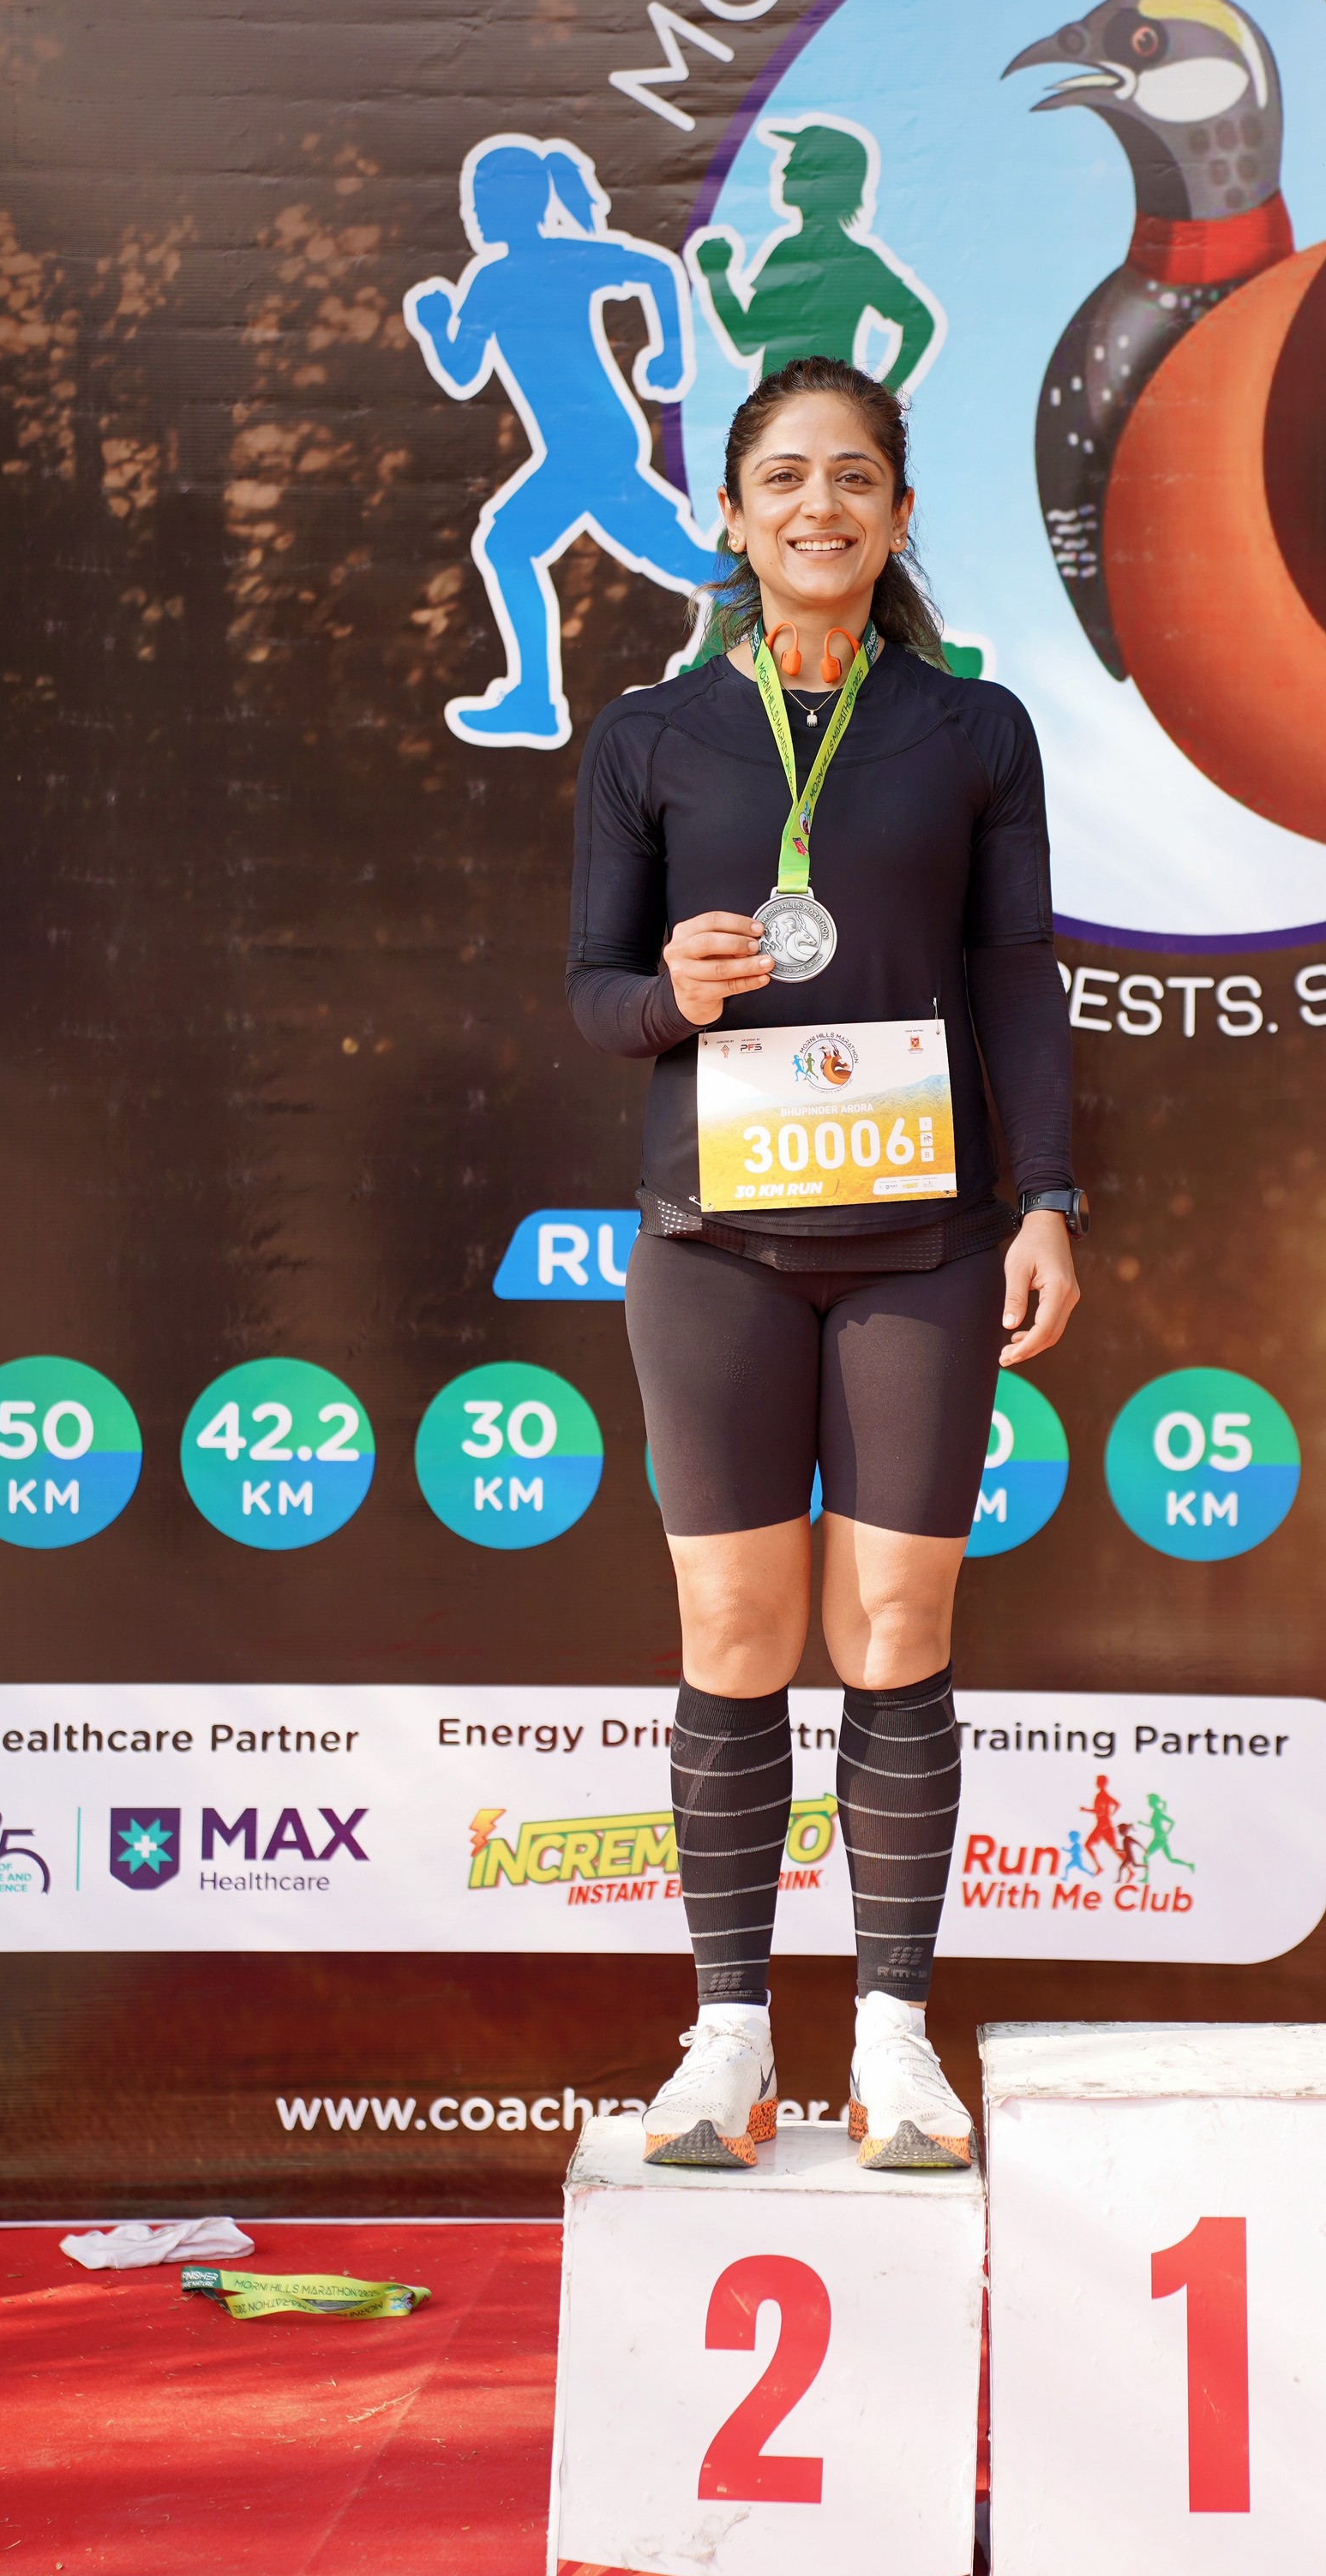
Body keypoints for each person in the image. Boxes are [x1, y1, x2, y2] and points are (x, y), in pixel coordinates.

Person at [567, 352, 1084, 2173]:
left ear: (900, 513)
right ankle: (727, 2042)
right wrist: (671, 995)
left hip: (920, 1248)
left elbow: (1017, 974)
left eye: (853, 477)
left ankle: (891, 2043)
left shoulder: (971, 730)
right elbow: (592, 995)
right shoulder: (649, 737)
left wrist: (1048, 1199)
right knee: (733, 1633)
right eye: (783, 477)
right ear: (730, 514)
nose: (819, 505)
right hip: (713, 1244)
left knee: (896, 1635)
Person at [405, 135, 718, 750]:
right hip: (593, 440)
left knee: (508, 543)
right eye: (472, 201)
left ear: (515, 204)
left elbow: (463, 369)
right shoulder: (523, 271)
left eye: (482, 200)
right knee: (673, 555)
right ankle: (766, 594)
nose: (472, 213)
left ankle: (535, 700)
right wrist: (668, 351)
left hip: (589, 443)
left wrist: (436, 322)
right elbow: (655, 271)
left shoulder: (515, 273)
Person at [688, 119, 941, 395]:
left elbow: (919, 323)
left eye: (797, 162)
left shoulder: (853, 261)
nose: (784, 169)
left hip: (808, 411)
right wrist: (717, 275)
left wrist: (883, 398)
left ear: (826, 182)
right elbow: (747, 338)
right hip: (784, 411)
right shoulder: (794, 252)